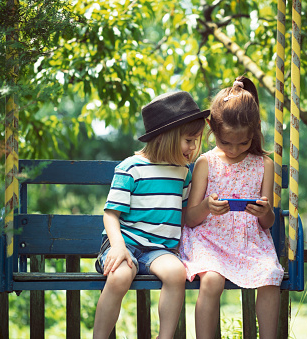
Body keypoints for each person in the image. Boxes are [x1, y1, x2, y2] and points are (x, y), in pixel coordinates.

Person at [93, 91, 210, 339]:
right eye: (188, 140)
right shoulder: (131, 168)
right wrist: (118, 247)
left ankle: (164, 336)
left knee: (176, 273)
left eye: (196, 141)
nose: (193, 147)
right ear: (166, 137)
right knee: (120, 275)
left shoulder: (183, 173)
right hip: (125, 243)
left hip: (159, 250)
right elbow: (111, 215)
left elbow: (184, 213)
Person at [179, 76, 284, 339]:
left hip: (250, 242)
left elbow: (268, 222)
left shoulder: (264, 165)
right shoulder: (206, 163)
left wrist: (265, 212)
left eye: (243, 143)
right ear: (212, 129)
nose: (235, 149)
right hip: (210, 240)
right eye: (226, 142)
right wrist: (206, 207)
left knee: (271, 275)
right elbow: (190, 219)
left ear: (255, 130)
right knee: (212, 280)